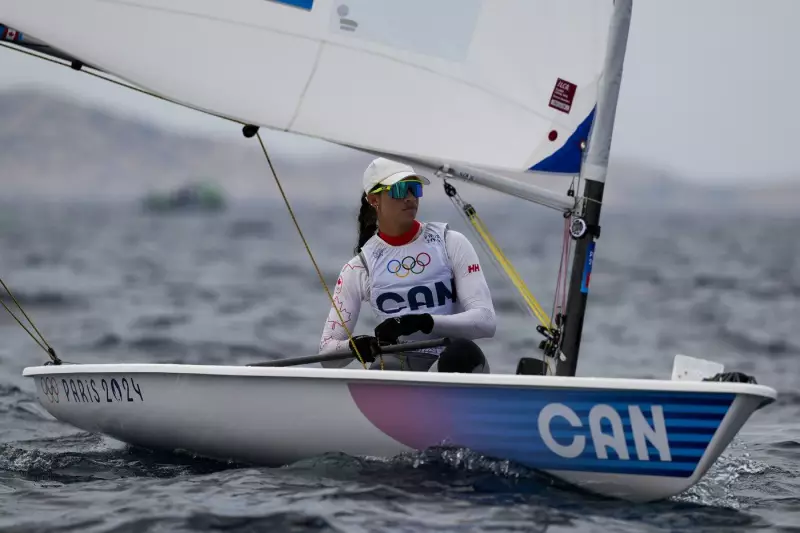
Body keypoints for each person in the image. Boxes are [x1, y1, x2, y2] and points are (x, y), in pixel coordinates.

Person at [318, 157, 496, 372]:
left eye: (414, 189)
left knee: (461, 352)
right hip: (401, 366)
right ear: (374, 199)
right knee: (383, 367)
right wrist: (355, 346)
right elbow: (327, 355)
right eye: (400, 190)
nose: (410, 198)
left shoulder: (450, 242)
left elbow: (486, 321)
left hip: (452, 362)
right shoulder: (358, 268)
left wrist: (425, 322)